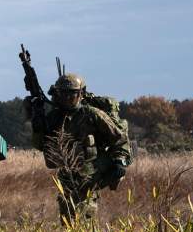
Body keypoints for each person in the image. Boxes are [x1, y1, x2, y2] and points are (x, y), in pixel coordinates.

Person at [25, 73, 130, 221]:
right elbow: (41, 146)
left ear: (80, 94)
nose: (67, 98)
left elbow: (119, 139)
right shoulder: (54, 117)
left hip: (92, 171)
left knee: (84, 215)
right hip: (67, 174)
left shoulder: (92, 114)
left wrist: (120, 161)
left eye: (72, 93)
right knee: (67, 216)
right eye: (63, 93)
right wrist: (37, 123)